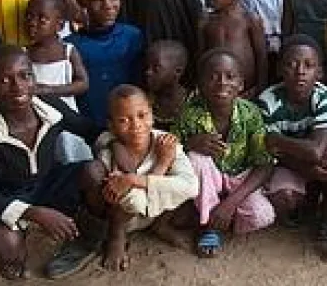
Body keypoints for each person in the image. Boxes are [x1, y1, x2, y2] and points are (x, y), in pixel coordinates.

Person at [0, 47, 106, 280]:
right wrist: (34, 213)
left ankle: (87, 239)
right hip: (7, 196)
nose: (18, 86)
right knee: (7, 247)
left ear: (34, 77)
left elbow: (89, 129)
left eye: (25, 75)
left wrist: (116, 144)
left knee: (95, 171)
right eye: (4, 80)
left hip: (49, 185)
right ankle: (16, 245)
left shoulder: (48, 105)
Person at [173, 49, 275, 255]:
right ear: (200, 85)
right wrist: (190, 144)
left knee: (263, 216)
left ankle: (219, 216)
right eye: (213, 76)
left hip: (239, 178)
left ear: (241, 84)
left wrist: (230, 204)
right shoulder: (190, 114)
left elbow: (264, 164)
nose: (222, 83)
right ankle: (208, 227)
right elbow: (169, 152)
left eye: (230, 77)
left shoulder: (250, 113)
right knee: (196, 159)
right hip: (208, 179)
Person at [88, 85, 199, 271]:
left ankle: (161, 226)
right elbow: (127, 199)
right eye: (124, 120)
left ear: (152, 114)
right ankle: (117, 237)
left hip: (160, 212)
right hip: (125, 220)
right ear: (112, 125)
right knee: (132, 198)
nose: (136, 125)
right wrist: (159, 173)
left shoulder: (166, 143)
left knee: (187, 193)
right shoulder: (110, 153)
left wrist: (136, 178)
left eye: (142, 115)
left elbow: (191, 187)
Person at [256, 35, 327, 228]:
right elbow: (272, 154)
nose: (300, 72)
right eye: (291, 64)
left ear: (319, 72)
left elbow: (316, 151)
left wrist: (278, 140)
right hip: (289, 163)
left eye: (309, 65)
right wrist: (306, 169)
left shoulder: (326, 98)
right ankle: (302, 208)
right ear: (279, 69)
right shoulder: (266, 102)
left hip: (318, 156)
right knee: (284, 198)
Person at [67, 0, 144, 129]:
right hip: (90, 128)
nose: (108, 5)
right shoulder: (71, 46)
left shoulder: (133, 37)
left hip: (130, 127)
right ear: (81, 1)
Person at [25, 0, 92, 164]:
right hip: (38, 121)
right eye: (29, 17)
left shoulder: (67, 51)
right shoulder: (24, 55)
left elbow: (83, 83)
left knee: (70, 159)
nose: (33, 23)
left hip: (67, 119)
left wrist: (50, 90)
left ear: (59, 25)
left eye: (42, 19)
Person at [200, 0, 266, 96]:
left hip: (248, 94)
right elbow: (200, 60)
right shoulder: (205, 23)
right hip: (215, 95)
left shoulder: (250, 20)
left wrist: (258, 89)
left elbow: (262, 59)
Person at [143, 39, 189, 131]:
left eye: (156, 68)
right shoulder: (142, 103)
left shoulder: (194, 103)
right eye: (147, 66)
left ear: (178, 71)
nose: (148, 72)